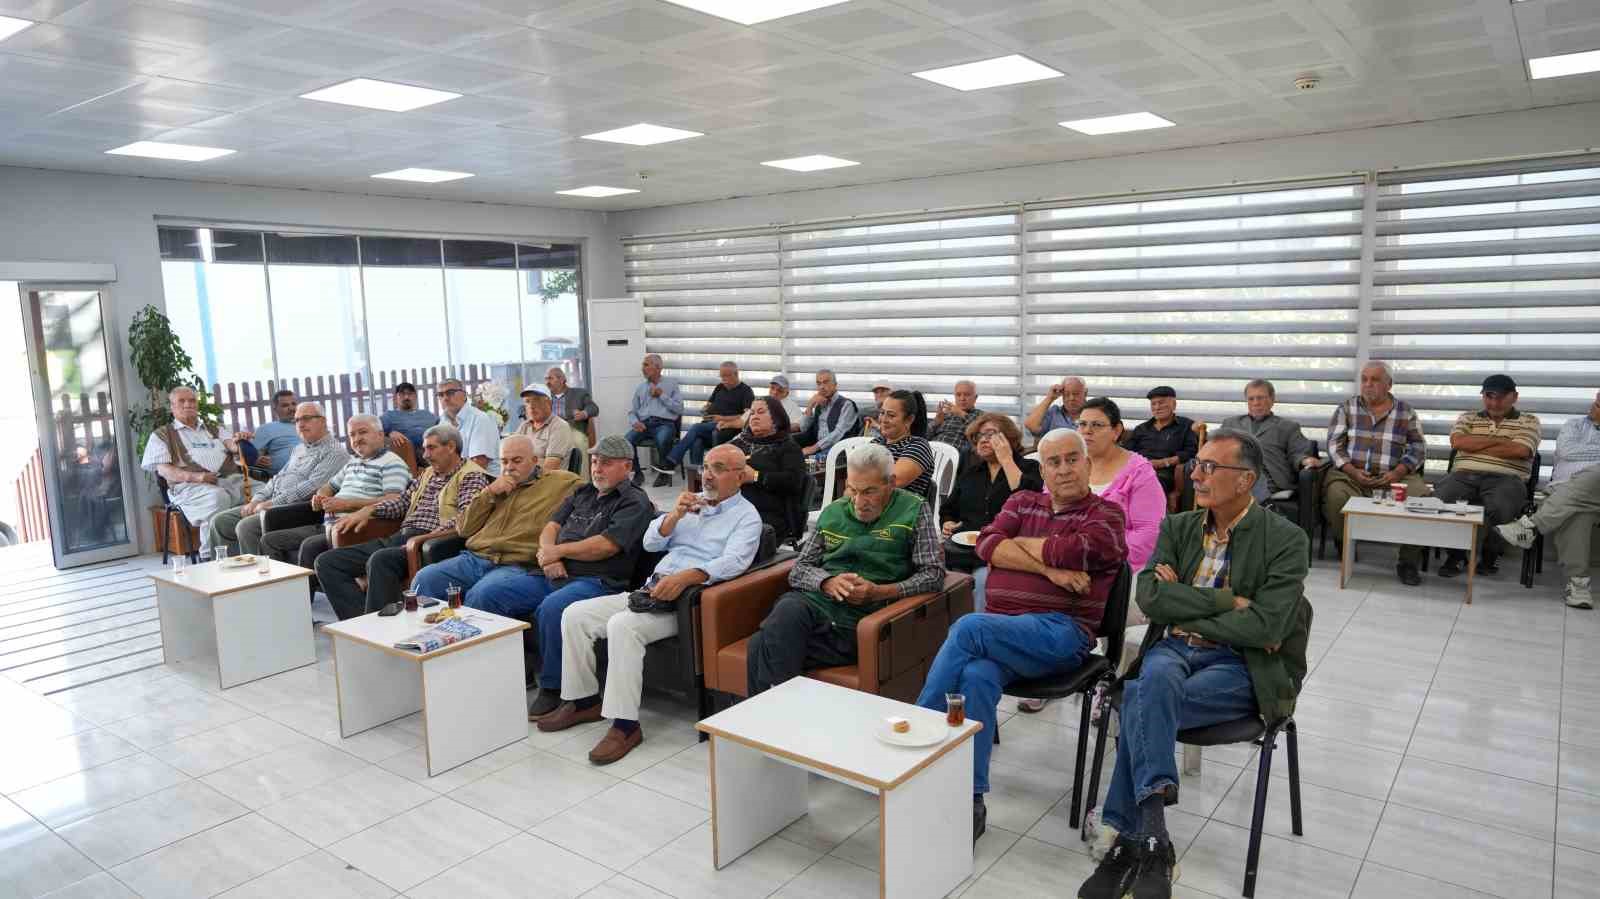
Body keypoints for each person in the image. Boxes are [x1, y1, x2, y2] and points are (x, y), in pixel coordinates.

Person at [1077, 430, 1311, 899]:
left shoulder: (1285, 539)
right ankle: (1155, 838)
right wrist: (1228, 602)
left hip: (1241, 665)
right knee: (1153, 683)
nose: (1197, 475)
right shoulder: (1180, 526)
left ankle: (1127, 837)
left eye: (1210, 467)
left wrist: (1186, 604)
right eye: (1197, 465)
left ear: (1245, 480)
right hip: (1173, 652)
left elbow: (1265, 629)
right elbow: (1151, 595)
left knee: (1142, 699)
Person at [918, 428, 1128, 842]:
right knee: (976, 676)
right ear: (1042, 468)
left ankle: (919, 727)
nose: (1064, 469)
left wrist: (1017, 547)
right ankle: (970, 797)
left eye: (1072, 459)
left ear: (1087, 463)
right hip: (1005, 635)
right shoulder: (1021, 501)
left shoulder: (1107, 516)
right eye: (1054, 462)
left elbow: (1073, 550)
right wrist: (1048, 569)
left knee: (968, 626)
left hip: (1062, 634)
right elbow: (987, 544)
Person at [536, 444, 762, 764]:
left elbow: (735, 562)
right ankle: (583, 700)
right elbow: (650, 542)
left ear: (740, 476)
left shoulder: (746, 517)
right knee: (575, 615)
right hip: (649, 592)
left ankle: (625, 726)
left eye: (719, 468)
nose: (708, 475)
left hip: (685, 603)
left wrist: (687, 577)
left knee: (622, 626)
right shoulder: (691, 504)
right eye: (707, 466)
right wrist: (673, 516)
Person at [745, 442, 944, 695]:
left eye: (870, 491)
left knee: (759, 645)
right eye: (853, 490)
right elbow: (800, 569)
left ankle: (771, 723)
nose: (860, 502)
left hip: (862, 622)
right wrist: (827, 582)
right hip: (817, 610)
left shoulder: (915, 510)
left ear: (891, 483)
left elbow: (934, 574)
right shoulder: (833, 512)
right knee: (789, 606)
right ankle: (780, 717)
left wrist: (881, 592)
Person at [490, 435, 655, 718]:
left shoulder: (634, 501)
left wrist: (557, 552)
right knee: (490, 594)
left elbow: (606, 546)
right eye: (594, 461)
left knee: (553, 609)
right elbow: (550, 526)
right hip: (552, 572)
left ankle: (552, 688)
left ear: (627, 466)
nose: (597, 468)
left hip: (596, 581)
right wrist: (548, 554)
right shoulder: (583, 492)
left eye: (606, 463)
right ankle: (502, 672)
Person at [1018, 398, 1164, 715]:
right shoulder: (1065, 464)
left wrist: (1092, 557)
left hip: (1124, 571)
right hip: (1067, 562)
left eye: (1096, 425)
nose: (1086, 431)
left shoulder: (1139, 472)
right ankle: (1044, 672)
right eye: (1081, 424)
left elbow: (1148, 533)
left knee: (1093, 608)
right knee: (1034, 596)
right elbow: (1048, 519)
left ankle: (1105, 685)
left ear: (1116, 431)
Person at [314, 424, 489, 620]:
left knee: (380, 559)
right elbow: (402, 503)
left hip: (430, 544)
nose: (425, 455)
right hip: (401, 537)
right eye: (424, 448)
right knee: (327, 562)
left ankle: (381, 627)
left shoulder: (471, 475)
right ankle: (361, 624)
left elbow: (466, 518)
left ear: (450, 447)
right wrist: (369, 510)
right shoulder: (429, 473)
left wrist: (428, 537)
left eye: (431, 448)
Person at [409, 435, 583, 605]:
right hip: (475, 558)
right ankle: (433, 633)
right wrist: (489, 493)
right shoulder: (495, 487)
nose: (509, 467)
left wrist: (555, 553)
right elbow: (463, 529)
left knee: (482, 594)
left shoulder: (561, 482)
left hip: (516, 563)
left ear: (534, 460)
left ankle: (469, 634)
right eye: (504, 461)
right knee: (424, 579)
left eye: (517, 461)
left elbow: (592, 496)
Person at [1321, 361, 1428, 586]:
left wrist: (1398, 473)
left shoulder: (1405, 412)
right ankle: (1345, 545)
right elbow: (1334, 445)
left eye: (1375, 380)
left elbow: (1418, 448)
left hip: (1394, 477)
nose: (1368, 385)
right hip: (1352, 475)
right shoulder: (1346, 408)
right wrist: (1352, 470)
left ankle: (1407, 561)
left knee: (1420, 498)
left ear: (1389, 384)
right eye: (1364, 379)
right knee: (1337, 495)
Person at [1497, 389, 1600, 608]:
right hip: (1565, 490)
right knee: (1578, 513)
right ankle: (1578, 586)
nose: (1594, 408)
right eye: (1597, 403)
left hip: (1576, 493)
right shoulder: (1574, 425)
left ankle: (1530, 527)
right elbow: (1567, 452)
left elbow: (1577, 454)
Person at [1432, 375, 1541, 578]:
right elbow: (1458, 442)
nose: (1494, 402)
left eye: (1501, 397)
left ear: (1514, 397)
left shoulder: (1529, 420)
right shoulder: (1468, 417)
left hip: (1507, 477)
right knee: (1440, 501)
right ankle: (1456, 556)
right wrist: (1500, 442)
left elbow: (1521, 450)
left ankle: (1490, 555)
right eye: (1489, 396)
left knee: (1502, 507)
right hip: (1463, 475)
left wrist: (1476, 444)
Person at [205, 402, 348, 556]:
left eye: (306, 418)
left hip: (297, 509)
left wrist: (271, 504)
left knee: (246, 527)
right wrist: (256, 500)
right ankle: (230, 574)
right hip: (274, 503)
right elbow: (278, 478)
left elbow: (311, 487)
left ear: (323, 421)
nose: (300, 424)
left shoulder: (335, 452)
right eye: (297, 420)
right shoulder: (299, 448)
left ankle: (259, 577)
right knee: (220, 521)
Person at [266, 414, 410, 568]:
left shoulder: (392, 463)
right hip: (327, 524)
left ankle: (304, 592)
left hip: (355, 528)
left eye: (362, 432)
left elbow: (394, 500)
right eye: (352, 434)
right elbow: (328, 487)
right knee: (269, 541)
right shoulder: (353, 462)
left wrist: (346, 505)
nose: (357, 439)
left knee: (310, 546)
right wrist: (320, 498)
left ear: (380, 435)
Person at [142, 387, 264, 553]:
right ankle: (212, 554)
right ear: (172, 407)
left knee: (264, 491)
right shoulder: (162, 435)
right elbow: (164, 470)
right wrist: (198, 477)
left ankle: (253, 544)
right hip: (187, 487)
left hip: (230, 480)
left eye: (192, 401)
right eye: (182, 401)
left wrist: (240, 441)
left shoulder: (214, 428)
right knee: (217, 497)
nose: (188, 405)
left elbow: (233, 447)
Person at [940, 413, 1042, 607]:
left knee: (983, 582)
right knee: (948, 585)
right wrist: (947, 522)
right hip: (962, 552)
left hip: (1002, 552)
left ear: (1009, 439)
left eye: (991, 434)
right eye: (979, 436)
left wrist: (1006, 460)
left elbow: (1029, 503)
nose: (983, 439)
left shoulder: (1029, 468)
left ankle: (979, 634)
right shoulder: (972, 474)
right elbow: (948, 509)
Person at [1220, 379, 1320, 501]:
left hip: (1268, 478)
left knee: (1247, 479)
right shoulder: (1231, 423)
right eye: (1251, 399)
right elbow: (1214, 447)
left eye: (1261, 398)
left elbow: (1297, 452)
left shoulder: (1287, 427)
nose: (1256, 403)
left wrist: (1305, 460)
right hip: (1235, 474)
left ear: (1272, 400)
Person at [656, 360, 754, 477]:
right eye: (721, 376)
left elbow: (745, 417)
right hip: (710, 423)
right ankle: (697, 475)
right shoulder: (719, 387)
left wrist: (722, 418)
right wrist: (705, 409)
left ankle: (671, 462)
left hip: (728, 426)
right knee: (697, 440)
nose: (724, 380)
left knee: (696, 428)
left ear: (736, 374)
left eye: (726, 376)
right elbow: (709, 403)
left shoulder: (746, 391)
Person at [730, 396, 807, 545]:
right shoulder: (739, 442)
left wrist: (756, 476)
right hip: (734, 509)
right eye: (752, 413)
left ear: (776, 418)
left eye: (760, 412)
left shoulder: (788, 447)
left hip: (770, 513)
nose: (754, 417)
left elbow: (794, 482)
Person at [1125, 386, 1198, 510]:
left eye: (1161, 403)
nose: (1157, 407)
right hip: (1139, 469)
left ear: (1174, 404)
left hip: (1165, 473)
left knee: (1150, 483)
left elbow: (1191, 452)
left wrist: (1163, 463)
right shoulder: (1142, 429)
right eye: (1153, 404)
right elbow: (1127, 452)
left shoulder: (1186, 426)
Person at [626, 353, 685, 487]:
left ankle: (664, 472)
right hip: (645, 424)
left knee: (663, 438)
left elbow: (679, 409)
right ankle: (637, 473)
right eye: (643, 365)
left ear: (658, 367)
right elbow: (632, 411)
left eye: (646, 365)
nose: (642, 368)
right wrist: (635, 421)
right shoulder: (641, 388)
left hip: (665, 423)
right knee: (627, 441)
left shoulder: (671, 384)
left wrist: (661, 395)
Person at [873, 389, 936, 499]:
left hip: (901, 513)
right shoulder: (876, 443)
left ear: (909, 419)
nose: (883, 419)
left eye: (891, 415)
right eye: (882, 413)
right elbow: (852, 482)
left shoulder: (918, 446)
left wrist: (861, 481)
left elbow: (894, 481)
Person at [437, 378, 500, 476]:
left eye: (450, 392)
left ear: (464, 395)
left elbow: (478, 464)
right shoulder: (442, 422)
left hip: (483, 481)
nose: (445, 398)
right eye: (441, 395)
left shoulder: (480, 419)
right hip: (455, 478)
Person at [798, 368, 859, 460]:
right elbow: (803, 428)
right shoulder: (819, 404)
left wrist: (813, 448)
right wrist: (810, 405)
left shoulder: (847, 405)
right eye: (819, 383)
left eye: (825, 382)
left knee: (803, 460)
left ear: (835, 385)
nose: (822, 387)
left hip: (837, 450)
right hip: (818, 447)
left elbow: (838, 433)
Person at [514, 386, 579, 473]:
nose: (531, 406)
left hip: (549, 481)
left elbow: (550, 467)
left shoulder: (559, 426)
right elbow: (510, 454)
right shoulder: (524, 426)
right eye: (527, 401)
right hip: (524, 477)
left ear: (549, 403)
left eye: (536, 400)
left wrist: (520, 462)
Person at [249, 390, 301, 476]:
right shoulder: (266, 429)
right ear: (275, 409)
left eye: (294, 404)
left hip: (317, 470)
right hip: (286, 478)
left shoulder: (309, 425)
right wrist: (256, 460)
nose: (291, 408)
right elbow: (249, 455)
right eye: (285, 405)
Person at [381, 382, 438, 462]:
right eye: (402, 394)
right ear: (396, 398)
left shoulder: (426, 414)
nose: (406, 397)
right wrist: (389, 432)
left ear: (415, 396)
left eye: (410, 394)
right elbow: (375, 428)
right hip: (413, 452)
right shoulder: (389, 416)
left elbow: (442, 425)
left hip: (434, 447)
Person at [930, 381, 983, 455]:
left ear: (975, 397)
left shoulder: (980, 415)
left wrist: (961, 414)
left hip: (955, 455)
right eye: (958, 395)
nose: (962, 398)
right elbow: (924, 436)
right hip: (933, 451)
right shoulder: (946, 414)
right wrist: (936, 422)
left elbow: (980, 432)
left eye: (967, 395)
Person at [545, 366, 598, 437]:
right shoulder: (543, 397)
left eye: (550, 378)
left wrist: (584, 413)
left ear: (562, 380)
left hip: (572, 434)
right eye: (546, 379)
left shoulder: (579, 394)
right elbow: (526, 408)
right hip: (551, 434)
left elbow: (593, 408)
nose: (547, 382)